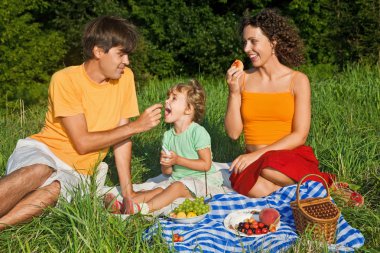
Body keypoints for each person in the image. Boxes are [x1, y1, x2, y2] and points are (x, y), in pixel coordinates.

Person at [0, 16, 162, 230]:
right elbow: (82, 143)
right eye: (121, 54)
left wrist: (129, 191)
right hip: (44, 151)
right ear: (98, 51)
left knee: (55, 190)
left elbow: (123, 138)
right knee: (40, 170)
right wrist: (137, 126)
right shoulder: (65, 79)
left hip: (81, 172)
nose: (127, 62)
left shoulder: (125, 78)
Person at [225, 9, 335, 198]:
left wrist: (256, 156)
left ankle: (325, 184)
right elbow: (233, 133)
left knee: (267, 168)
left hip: (285, 159)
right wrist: (233, 93)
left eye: (253, 41)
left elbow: (300, 135)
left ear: (273, 42)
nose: (246, 49)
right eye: (245, 42)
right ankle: (308, 190)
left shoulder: (298, 80)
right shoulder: (242, 80)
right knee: (250, 186)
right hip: (256, 164)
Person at [104, 79, 223, 214]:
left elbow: (205, 165)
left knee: (177, 187)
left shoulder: (198, 132)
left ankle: (142, 209)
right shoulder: (168, 136)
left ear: (188, 109)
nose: (167, 101)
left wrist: (177, 160)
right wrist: (166, 164)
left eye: (174, 98)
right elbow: (167, 172)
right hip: (178, 179)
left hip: (203, 182)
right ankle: (123, 204)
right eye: (168, 97)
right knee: (159, 190)